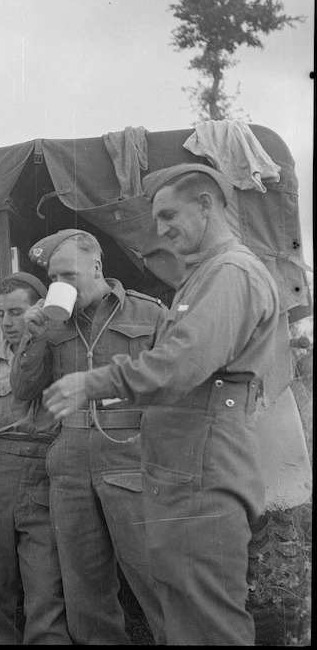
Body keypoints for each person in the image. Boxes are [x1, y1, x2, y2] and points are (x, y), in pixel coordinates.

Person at [43, 164, 280, 645]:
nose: (163, 229)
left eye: (170, 214)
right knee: (186, 611)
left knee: (206, 621)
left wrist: (94, 381)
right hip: (183, 468)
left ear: (207, 205)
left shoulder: (229, 272)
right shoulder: (205, 277)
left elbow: (179, 365)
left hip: (203, 467)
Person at [11, 228, 167, 645]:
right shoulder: (49, 322)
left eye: (69, 275)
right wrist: (32, 336)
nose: (60, 286)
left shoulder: (149, 314)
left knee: (158, 580)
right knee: (85, 591)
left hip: (131, 457)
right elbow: (24, 392)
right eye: (53, 279)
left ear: (97, 265)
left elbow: (178, 387)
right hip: (70, 464)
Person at [0, 272, 71, 645]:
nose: (7, 322)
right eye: (1, 313)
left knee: (47, 593)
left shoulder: (64, 354)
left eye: (16, 312)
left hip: (46, 472)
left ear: (39, 310)